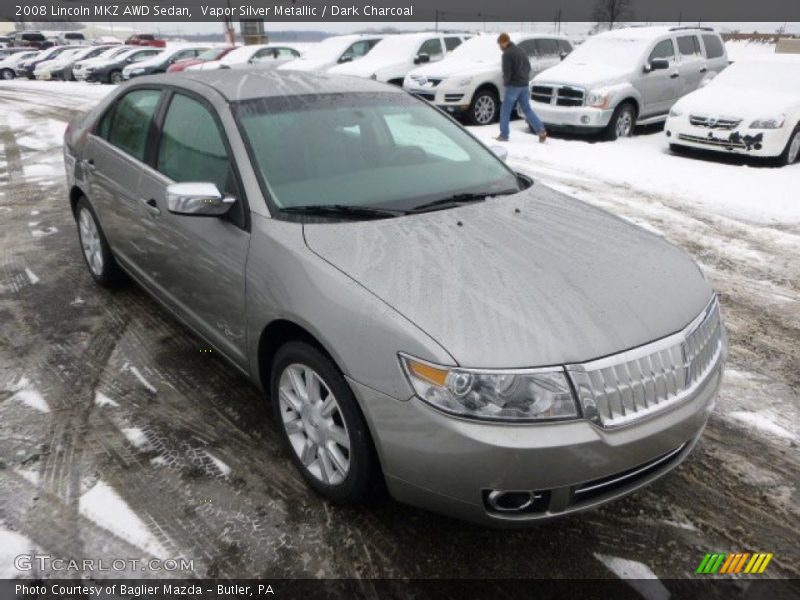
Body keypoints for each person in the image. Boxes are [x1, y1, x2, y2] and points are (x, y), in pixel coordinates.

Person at [495, 33, 547, 143]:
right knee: (527, 109)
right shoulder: (520, 50)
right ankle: (541, 130)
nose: (499, 46)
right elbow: (528, 67)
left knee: (505, 111)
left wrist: (506, 82)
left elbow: (507, 72)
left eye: (500, 44)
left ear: (504, 43)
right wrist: (523, 78)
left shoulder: (507, 54)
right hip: (524, 85)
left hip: (513, 86)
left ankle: (504, 135)